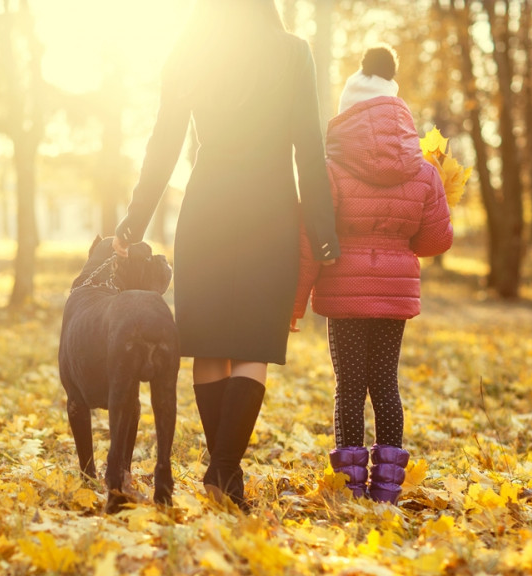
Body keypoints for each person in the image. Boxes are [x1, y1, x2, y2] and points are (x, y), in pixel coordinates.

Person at [112, 0, 339, 511]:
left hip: (207, 209)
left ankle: (222, 475)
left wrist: (135, 219)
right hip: (271, 211)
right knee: (252, 347)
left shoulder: (190, 51)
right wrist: (323, 228)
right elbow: (309, 144)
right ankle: (224, 472)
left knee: (212, 346)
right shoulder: (293, 52)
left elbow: (163, 143)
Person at [292, 44, 453, 504]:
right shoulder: (424, 170)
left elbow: (311, 238)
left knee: (348, 387)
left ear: (348, 115)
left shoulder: (332, 168)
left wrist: (295, 302)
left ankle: (348, 488)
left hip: (344, 293)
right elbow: (435, 242)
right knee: (385, 384)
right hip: (393, 297)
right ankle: (385, 492)